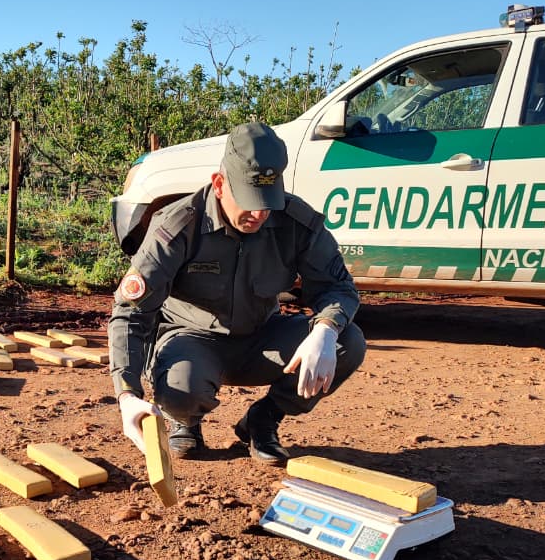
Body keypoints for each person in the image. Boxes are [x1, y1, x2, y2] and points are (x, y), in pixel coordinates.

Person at [109, 121, 366, 465]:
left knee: (347, 342)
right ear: (219, 185)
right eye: (249, 200)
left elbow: (338, 287)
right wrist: (128, 394)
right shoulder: (178, 224)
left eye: (267, 201)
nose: (259, 213)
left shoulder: (296, 222)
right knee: (182, 387)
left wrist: (325, 329)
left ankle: (263, 419)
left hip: (261, 337)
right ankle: (184, 419)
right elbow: (131, 311)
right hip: (191, 339)